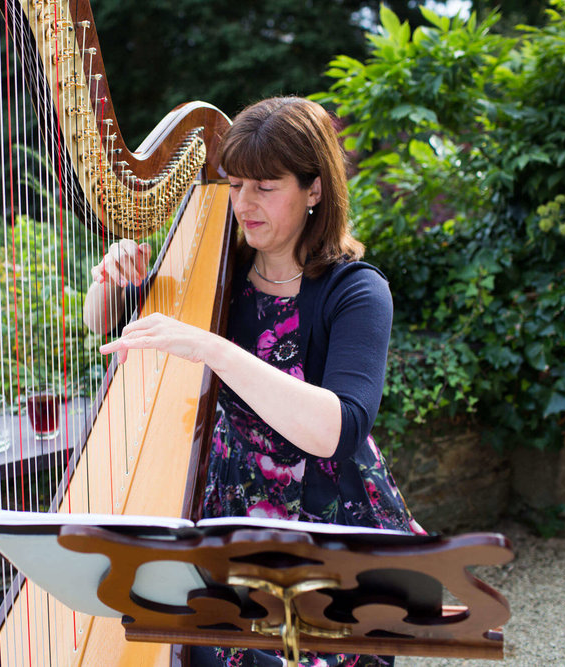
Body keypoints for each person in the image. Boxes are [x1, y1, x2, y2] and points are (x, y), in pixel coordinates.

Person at [83, 96, 421, 667]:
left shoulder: (356, 292)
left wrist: (213, 349)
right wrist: (110, 281)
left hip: (326, 516)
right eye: (236, 184)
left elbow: (337, 428)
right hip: (230, 502)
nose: (244, 202)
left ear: (314, 189)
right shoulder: (214, 269)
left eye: (266, 186)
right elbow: (106, 326)